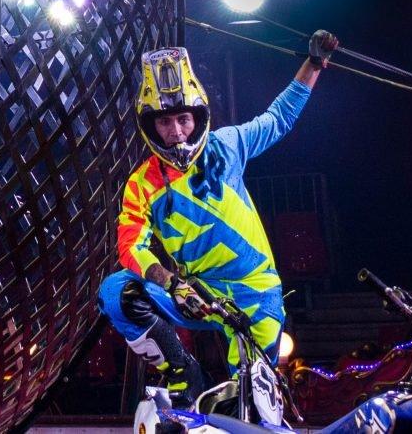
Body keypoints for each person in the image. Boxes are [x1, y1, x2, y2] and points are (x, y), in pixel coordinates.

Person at [97, 38, 339, 409]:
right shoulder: (141, 183)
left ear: (198, 117)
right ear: (150, 125)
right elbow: (131, 246)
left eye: (183, 119)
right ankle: (182, 372)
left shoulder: (227, 145)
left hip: (254, 294)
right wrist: (173, 283)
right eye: (164, 121)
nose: (176, 131)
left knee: (249, 408)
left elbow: (278, 119)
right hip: (196, 295)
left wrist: (314, 64)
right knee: (116, 292)